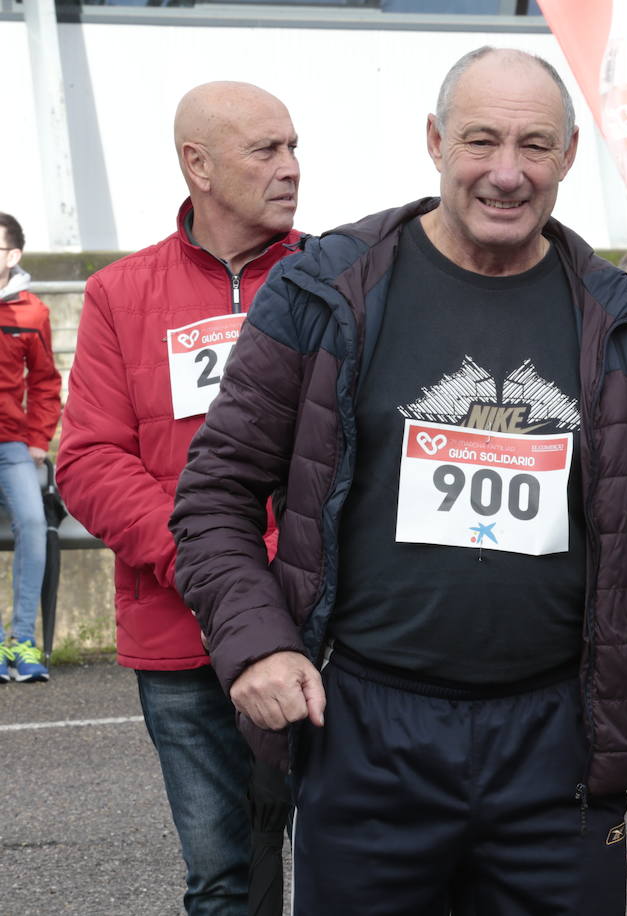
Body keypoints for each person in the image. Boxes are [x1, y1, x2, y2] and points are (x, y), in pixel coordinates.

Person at [169, 47, 627, 913]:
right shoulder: (323, 291)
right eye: (480, 141)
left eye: (535, 146)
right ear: (433, 140)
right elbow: (214, 494)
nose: (507, 173)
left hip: (557, 750)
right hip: (365, 735)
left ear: (570, 157)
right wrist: (258, 643)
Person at [57, 81, 301, 914]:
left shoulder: (333, 279)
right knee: (225, 883)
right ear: (197, 164)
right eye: (266, 150)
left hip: (325, 627)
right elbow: (88, 460)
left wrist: (284, 569)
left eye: (293, 146)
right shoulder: (119, 294)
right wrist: (215, 566)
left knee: (360, 873)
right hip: (180, 635)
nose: (291, 167)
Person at [0, 212, 61, 684]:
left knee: (35, 525)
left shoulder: (30, 312)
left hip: (12, 445)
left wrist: (39, 440)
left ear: (13, 256)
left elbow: (44, 382)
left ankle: (22, 640)